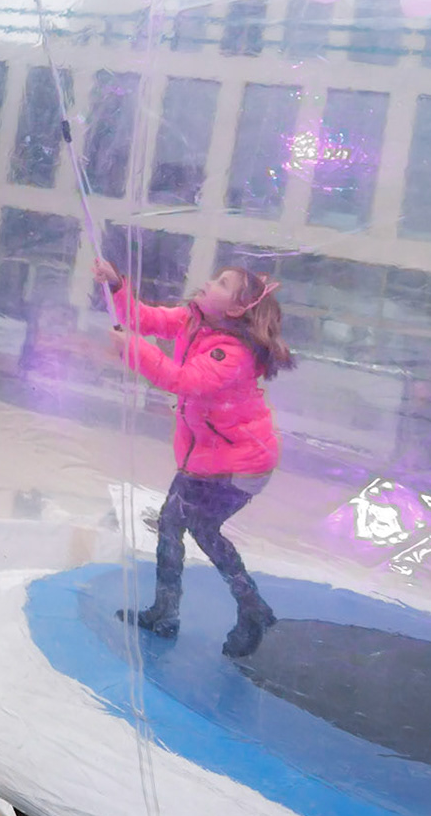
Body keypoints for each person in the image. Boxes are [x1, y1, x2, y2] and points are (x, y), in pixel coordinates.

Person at [95, 260, 294, 659]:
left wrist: (132, 349)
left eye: (222, 283)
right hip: (208, 461)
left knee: (198, 529)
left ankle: (245, 608)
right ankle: (172, 612)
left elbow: (185, 381)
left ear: (237, 309)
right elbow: (143, 317)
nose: (207, 282)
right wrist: (117, 284)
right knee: (174, 525)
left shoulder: (231, 353)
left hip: (240, 466)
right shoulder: (193, 320)